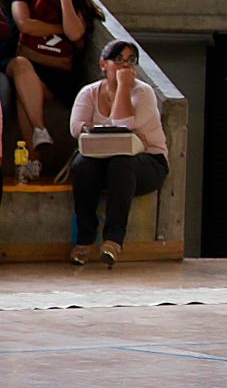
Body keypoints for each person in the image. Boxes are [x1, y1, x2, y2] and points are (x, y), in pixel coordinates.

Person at [67, 40, 168, 267]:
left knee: (122, 163)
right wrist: (97, 130)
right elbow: (76, 127)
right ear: (103, 64)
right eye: (119, 60)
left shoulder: (144, 92)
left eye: (131, 61)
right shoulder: (90, 92)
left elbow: (123, 122)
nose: (125, 66)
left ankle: (113, 240)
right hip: (102, 159)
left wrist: (123, 86)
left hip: (148, 161)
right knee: (82, 165)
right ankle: (84, 239)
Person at [10, 0, 101, 169]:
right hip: (31, 64)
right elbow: (25, 25)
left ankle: (33, 159)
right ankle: (40, 133)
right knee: (20, 67)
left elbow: (75, 33)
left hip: (59, 75)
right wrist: (60, 28)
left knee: (24, 97)